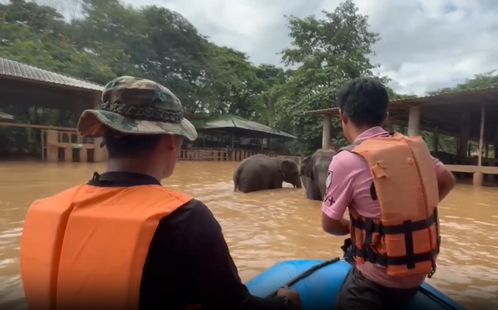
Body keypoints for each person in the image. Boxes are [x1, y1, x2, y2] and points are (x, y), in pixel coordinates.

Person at [20, 76, 301, 310]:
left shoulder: (44, 209)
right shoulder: (184, 218)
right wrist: (284, 303)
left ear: (104, 138)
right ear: (171, 141)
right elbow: (234, 307)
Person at [320, 78, 456, 309]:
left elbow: (330, 224)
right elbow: (447, 180)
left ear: (343, 116)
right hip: (418, 271)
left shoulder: (345, 160)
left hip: (374, 281)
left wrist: (362, 231)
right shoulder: (413, 149)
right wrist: (414, 214)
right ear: (385, 116)